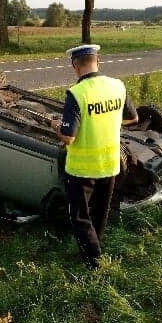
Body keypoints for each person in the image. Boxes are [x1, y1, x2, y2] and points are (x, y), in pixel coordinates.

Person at [51, 44, 139, 270]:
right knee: (100, 212)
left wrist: (55, 126)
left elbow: (68, 137)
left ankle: (95, 263)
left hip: (82, 169)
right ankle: (95, 248)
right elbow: (132, 118)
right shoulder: (117, 86)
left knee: (79, 217)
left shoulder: (77, 93)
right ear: (98, 61)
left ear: (75, 65)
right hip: (110, 164)